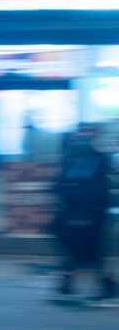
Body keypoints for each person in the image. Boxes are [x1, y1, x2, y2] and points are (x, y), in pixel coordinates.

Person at [52, 123, 114, 300]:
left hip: (76, 213)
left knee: (80, 251)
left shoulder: (71, 158)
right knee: (93, 251)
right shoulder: (100, 158)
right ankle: (104, 286)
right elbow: (103, 185)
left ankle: (67, 282)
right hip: (93, 213)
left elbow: (58, 186)